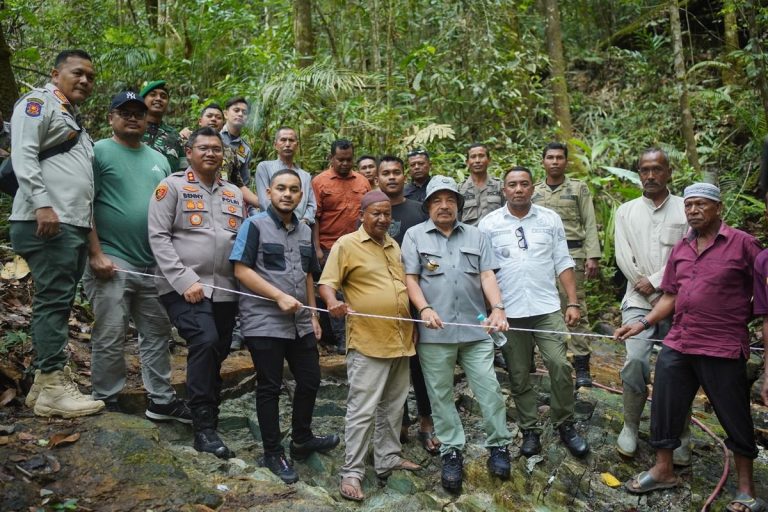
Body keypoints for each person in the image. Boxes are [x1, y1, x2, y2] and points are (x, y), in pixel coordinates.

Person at [615, 184, 763, 512]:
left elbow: (762, 291)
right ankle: (663, 469)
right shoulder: (682, 248)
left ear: (718, 208)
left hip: (721, 345)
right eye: (689, 205)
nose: (693, 210)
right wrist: (642, 323)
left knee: (734, 414)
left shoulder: (743, 244)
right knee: (665, 404)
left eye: (701, 205)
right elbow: (671, 295)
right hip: (680, 340)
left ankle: (746, 488)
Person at [83, 91, 191, 422]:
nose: (133, 117)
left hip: (153, 264)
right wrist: (95, 253)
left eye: (138, 113)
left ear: (147, 120)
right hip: (112, 258)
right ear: (110, 117)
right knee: (111, 331)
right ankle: (107, 397)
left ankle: (160, 398)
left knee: (157, 333)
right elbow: (82, 203)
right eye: (125, 111)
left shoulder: (158, 158)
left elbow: (171, 209)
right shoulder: (97, 151)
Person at [402, 175, 513, 492]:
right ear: (427, 207)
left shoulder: (477, 236)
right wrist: (423, 309)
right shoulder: (414, 236)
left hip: (476, 331)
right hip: (435, 335)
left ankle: (499, 446)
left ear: (459, 205)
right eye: (436, 200)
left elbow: (487, 274)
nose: (444, 205)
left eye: (450, 200)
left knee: (489, 389)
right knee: (440, 396)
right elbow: (411, 279)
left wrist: (498, 308)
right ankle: (452, 451)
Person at [12, 49, 105, 418]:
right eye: (77, 72)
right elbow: (23, 153)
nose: (85, 80)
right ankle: (53, 385)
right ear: (55, 73)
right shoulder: (39, 103)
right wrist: (41, 203)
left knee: (60, 300)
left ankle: (42, 384)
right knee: (53, 301)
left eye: (91, 76)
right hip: (47, 220)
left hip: (70, 223)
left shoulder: (73, 120)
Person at [230, 169, 339, 484]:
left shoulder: (305, 230)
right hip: (264, 321)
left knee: (310, 379)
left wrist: (314, 315)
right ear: (268, 193)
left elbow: (307, 274)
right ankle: (272, 451)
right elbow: (240, 270)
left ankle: (302, 438)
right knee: (270, 386)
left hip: (300, 322)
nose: (287, 194)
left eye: (293, 189)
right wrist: (277, 296)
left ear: (301, 195)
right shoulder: (254, 226)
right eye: (281, 188)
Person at [479, 166, 589, 459]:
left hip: (546, 307)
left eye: (524, 184)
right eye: (512, 185)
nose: (518, 189)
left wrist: (573, 302)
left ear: (532, 189)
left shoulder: (550, 219)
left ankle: (565, 422)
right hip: (509, 312)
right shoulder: (489, 224)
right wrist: (490, 310)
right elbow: (483, 269)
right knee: (518, 374)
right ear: (504, 190)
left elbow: (563, 261)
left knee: (560, 366)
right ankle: (529, 429)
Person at [148, 127, 245, 459]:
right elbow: (158, 236)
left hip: (226, 291)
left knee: (217, 350)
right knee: (203, 340)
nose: (210, 153)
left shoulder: (234, 193)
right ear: (188, 152)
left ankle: (209, 414)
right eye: (202, 148)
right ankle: (204, 429)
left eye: (216, 149)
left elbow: (240, 244)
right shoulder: (171, 187)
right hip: (183, 287)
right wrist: (184, 280)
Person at [318, 190, 420, 502]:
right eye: (376, 213)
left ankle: (388, 457)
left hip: (401, 339)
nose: (382, 219)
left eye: (387, 214)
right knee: (362, 410)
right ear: (362, 214)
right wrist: (333, 302)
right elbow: (327, 284)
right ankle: (352, 472)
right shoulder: (347, 244)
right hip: (368, 340)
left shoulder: (394, 245)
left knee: (394, 405)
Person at [613, 149, 688, 460]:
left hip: (681, 300)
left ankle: (681, 434)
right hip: (638, 300)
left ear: (669, 172)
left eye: (657, 169)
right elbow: (623, 256)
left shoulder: (687, 209)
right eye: (644, 169)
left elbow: (688, 254)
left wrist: (658, 281)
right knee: (636, 360)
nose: (650, 175)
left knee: (681, 366)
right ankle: (630, 425)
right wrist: (649, 290)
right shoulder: (626, 211)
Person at [378, 155, 439, 455]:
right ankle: (398, 421)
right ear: (377, 178)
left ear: (405, 177)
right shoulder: (371, 211)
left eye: (396, 172)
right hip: (383, 301)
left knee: (421, 364)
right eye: (385, 173)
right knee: (392, 363)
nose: (392, 177)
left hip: (417, 298)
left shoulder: (419, 211)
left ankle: (427, 422)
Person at [531, 142, 601, 387]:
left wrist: (593, 255)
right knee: (538, 306)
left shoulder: (578, 189)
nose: (554, 162)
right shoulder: (534, 191)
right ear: (543, 162)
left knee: (575, 307)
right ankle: (545, 359)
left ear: (565, 161)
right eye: (550, 157)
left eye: (559, 157)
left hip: (572, 255)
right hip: (540, 257)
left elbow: (589, 222)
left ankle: (582, 365)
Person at [312, 139, 371, 354]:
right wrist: (317, 248)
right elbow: (315, 217)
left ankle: (359, 335)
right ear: (331, 158)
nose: (345, 164)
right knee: (333, 294)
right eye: (340, 160)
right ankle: (341, 340)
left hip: (358, 246)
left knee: (356, 291)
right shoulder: (319, 182)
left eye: (349, 160)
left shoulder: (363, 182)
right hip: (329, 246)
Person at [254, 127, 317, 224]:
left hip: (300, 227)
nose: (287, 144)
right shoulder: (264, 168)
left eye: (291, 140)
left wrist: (304, 221)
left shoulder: (305, 176)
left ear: (297, 145)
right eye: (283, 140)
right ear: (275, 145)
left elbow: (311, 205)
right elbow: (264, 201)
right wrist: (284, 222)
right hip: (272, 225)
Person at [220, 96, 259, 212]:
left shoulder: (245, 149)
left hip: (231, 200)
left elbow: (243, 183)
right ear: (226, 114)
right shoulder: (212, 135)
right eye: (236, 110)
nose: (240, 114)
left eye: (244, 112)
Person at [139, 80, 185, 171]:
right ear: (143, 100)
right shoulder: (132, 129)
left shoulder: (174, 136)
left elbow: (183, 169)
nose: (158, 99)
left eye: (163, 96)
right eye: (153, 95)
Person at [458, 143, 504, 226]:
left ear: (489, 160)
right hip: (470, 237)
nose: (477, 160)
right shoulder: (460, 189)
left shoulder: (500, 186)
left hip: (496, 236)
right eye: (473, 157)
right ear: (467, 162)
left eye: (481, 156)